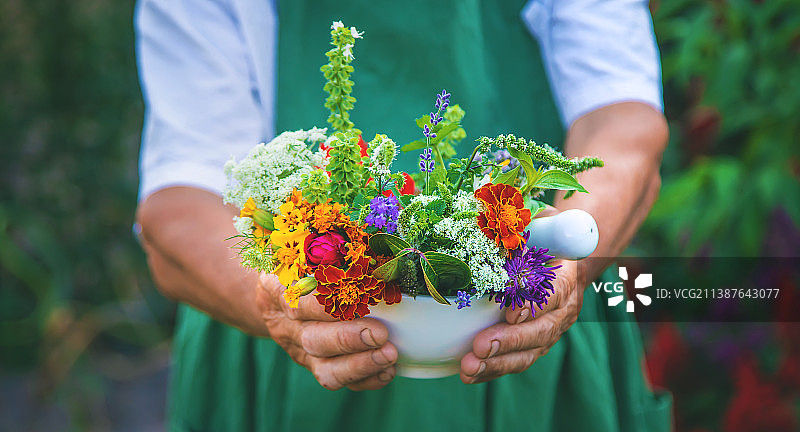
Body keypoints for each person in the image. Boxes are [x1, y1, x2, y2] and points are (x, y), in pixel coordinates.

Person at [135, 0, 671, 430]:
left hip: (530, 330)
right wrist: (275, 300)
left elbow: (623, 129)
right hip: (290, 354)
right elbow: (177, 208)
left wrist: (565, 258)